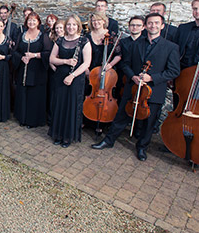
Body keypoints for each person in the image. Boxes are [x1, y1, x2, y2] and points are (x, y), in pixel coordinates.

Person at [92, 13, 181, 161]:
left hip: (153, 91)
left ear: (162, 26)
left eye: (156, 23)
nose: (153, 26)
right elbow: (125, 63)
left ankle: (142, 148)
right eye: (150, 23)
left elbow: (174, 71)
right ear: (146, 26)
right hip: (132, 87)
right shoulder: (136, 44)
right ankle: (109, 140)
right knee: (121, 115)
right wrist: (133, 76)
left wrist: (152, 78)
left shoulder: (170, 47)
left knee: (148, 122)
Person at [48, 15, 92, 147]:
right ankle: (57, 134)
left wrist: (72, 76)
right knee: (59, 105)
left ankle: (67, 137)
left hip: (75, 78)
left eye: (73, 25)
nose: (71, 27)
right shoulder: (60, 40)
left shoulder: (84, 41)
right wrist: (65, 61)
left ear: (78, 26)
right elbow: (52, 59)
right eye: (68, 25)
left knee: (71, 107)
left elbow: (86, 63)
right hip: (60, 76)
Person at [12, 11, 52, 128]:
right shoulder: (22, 35)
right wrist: (22, 57)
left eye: (34, 20)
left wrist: (34, 55)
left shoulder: (43, 36)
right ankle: (22, 118)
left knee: (34, 95)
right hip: (23, 70)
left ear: (38, 22)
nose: (31, 22)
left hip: (37, 72)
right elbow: (15, 51)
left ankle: (32, 121)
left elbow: (48, 53)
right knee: (23, 93)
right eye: (29, 20)